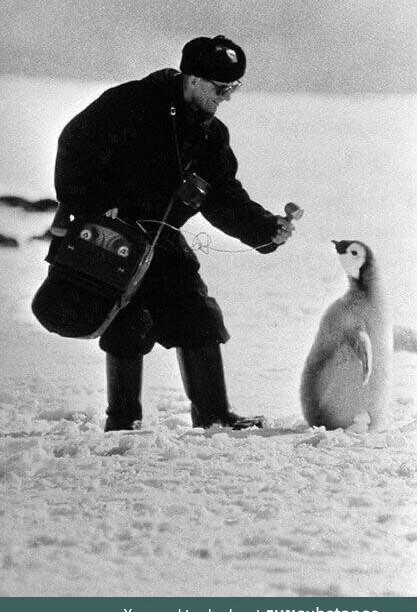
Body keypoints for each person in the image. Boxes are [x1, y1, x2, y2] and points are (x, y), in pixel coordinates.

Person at [53, 35, 294, 432]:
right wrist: (90, 207)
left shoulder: (209, 135)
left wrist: (265, 230)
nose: (227, 97)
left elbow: (222, 195)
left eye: (234, 88)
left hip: (158, 237)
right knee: (127, 321)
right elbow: (72, 145)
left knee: (197, 313)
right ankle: (123, 420)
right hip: (106, 234)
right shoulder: (129, 103)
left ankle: (214, 417)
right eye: (221, 88)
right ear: (194, 79)